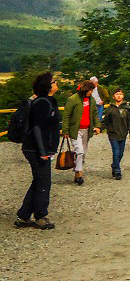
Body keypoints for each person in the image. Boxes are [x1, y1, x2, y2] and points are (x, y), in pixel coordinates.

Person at [15, 72, 60, 230]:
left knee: (38, 180)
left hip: (38, 148)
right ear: (47, 86)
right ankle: (40, 215)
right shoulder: (42, 103)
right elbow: (38, 128)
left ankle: (24, 215)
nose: (56, 83)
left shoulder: (47, 101)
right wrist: (43, 151)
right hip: (36, 149)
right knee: (43, 182)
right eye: (54, 81)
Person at [62, 79, 101, 185]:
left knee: (83, 153)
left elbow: (94, 114)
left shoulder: (91, 100)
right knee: (79, 151)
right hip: (75, 130)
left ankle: (76, 172)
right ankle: (79, 173)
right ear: (85, 89)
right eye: (90, 90)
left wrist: (97, 125)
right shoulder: (73, 99)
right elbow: (66, 115)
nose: (91, 92)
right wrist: (65, 130)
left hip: (87, 130)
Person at [100, 87, 130, 180]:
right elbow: (105, 121)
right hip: (113, 133)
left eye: (120, 94)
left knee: (121, 153)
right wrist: (99, 129)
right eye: (117, 94)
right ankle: (117, 170)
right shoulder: (110, 109)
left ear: (123, 96)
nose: (119, 96)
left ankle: (114, 165)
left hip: (123, 133)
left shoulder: (127, 108)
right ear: (113, 96)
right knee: (116, 152)